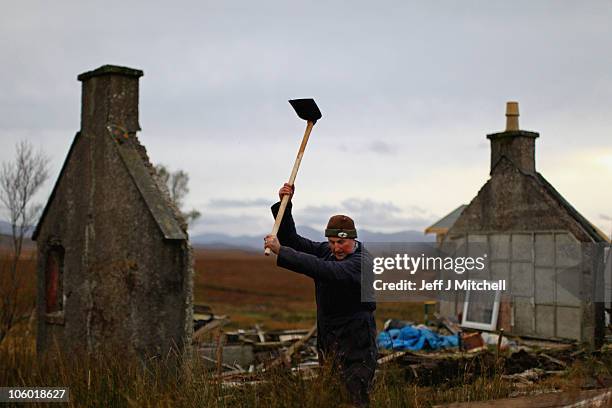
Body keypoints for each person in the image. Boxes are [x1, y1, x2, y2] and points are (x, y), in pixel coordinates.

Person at [264, 183, 377, 407]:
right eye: (332, 242)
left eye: (342, 242)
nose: (336, 248)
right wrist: (285, 206)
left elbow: (326, 270)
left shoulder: (361, 262)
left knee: (354, 398)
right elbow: (293, 241)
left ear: (353, 239)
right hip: (329, 338)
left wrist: (281, 251)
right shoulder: (327, 251)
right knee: (332, 395)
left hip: (356, 342)